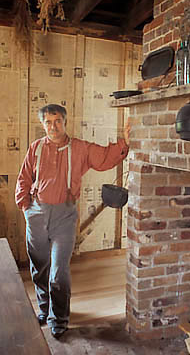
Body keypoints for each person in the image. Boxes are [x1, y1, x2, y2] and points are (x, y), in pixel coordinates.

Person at [15, 104, 130, 339]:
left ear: (65, 122)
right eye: (48, 122)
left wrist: (124, 143)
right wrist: (26, 206)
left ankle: (59, 318)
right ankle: (44, 309)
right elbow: (24, 178)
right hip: (36, 213)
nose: (53, 127)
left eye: (57, 121)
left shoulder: (79, 148)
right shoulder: (35, 148)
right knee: (39, 265)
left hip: (64, 217)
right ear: (42, 125)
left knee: (59, 271)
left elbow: (105, 159)